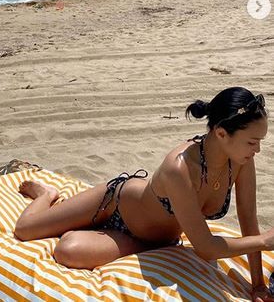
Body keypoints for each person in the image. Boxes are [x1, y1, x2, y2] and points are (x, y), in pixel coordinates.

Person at [14, 87, 274, 302]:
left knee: (68, 250)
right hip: (114, 204)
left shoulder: (240, 159)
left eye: (260, 141)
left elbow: (248, 221)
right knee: (25, 230)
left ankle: (138, 243)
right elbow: (206, 248)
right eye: (253, 142)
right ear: (221, 133)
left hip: (152, 241)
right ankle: (46, 194)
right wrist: (264, 241)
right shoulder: (180, 168)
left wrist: (258, 286)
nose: (258, 150)